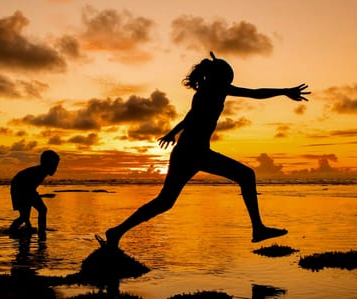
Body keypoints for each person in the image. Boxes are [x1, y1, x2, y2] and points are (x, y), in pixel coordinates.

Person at [103, 52, 310, 249]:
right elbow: (253, 94)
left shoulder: (210, 89)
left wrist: (172, 133)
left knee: (164, 202)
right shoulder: (214, 90)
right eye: (228, 78)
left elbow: (191, 116)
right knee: (246, 175)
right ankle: (258, 229)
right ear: (220, 78)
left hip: (188, 152)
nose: (230, 83)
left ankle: (116, 232)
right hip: (195, 153)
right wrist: (284, 91)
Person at [9, 150, 60, 239]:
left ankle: (34, 229)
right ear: (48, 164)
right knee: (36, 212)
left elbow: (31, 191)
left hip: (25, 188)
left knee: (27, 215)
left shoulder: (42, 171)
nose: (56, 169)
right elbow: (28, 191)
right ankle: (40, 231)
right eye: (55, 166)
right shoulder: (40, 171)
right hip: (19, 188)